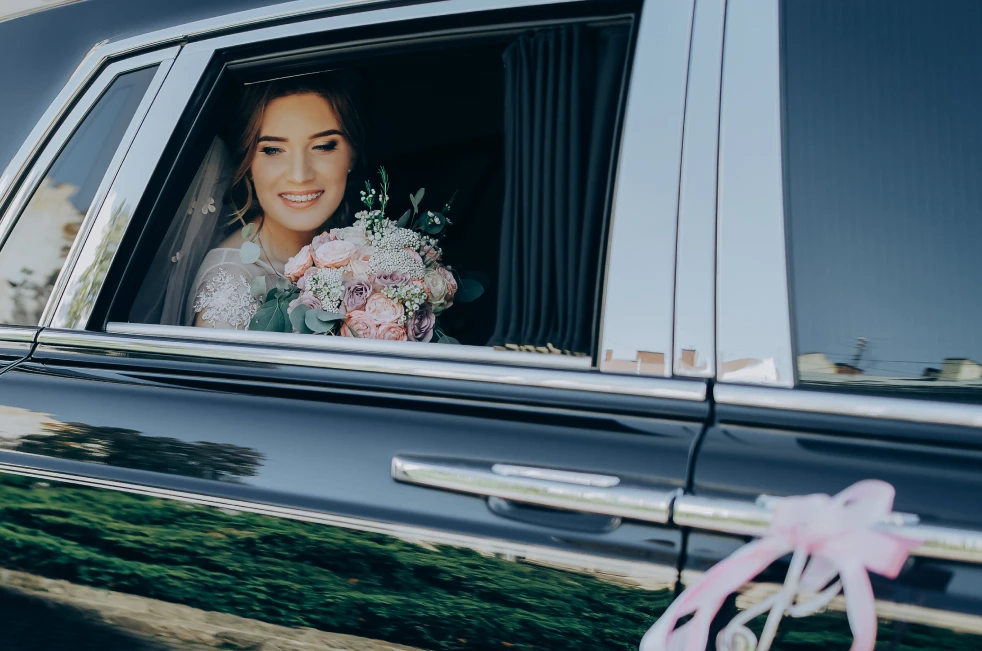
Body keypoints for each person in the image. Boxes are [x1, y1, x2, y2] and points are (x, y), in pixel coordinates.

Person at [188, 74, 365, 329]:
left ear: (352, 154)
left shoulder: (363, 250)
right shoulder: (231, 284)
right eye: (273, 150)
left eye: (323, 146)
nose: (299, 175)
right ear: (248, 164)